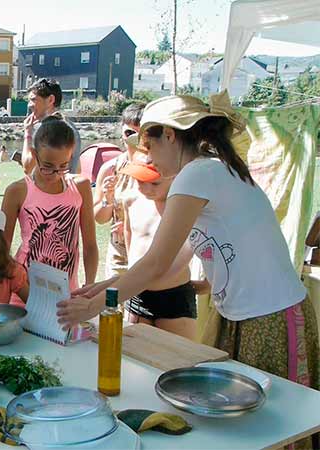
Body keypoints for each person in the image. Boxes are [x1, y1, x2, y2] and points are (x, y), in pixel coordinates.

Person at [58, 93, 318, 403]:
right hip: (251, 314)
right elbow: (160, 264)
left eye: (150, 146)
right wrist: (101, 288)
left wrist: (93, 306)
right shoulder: (212, 170)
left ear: (169, 134)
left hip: (268, 316)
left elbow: (155, 262)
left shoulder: (197, 174)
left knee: (270, 422)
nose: (150, 160)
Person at [2, 115, 98, 292]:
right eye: (47, 166)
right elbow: (2, 248)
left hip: (68, 290)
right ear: (34, 154)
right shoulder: (17, 191)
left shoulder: (81, 186)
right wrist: (21, 288)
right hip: (25, 289)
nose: (55, 174)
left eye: (63, 166)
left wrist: (89, 284)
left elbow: (90, 245)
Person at [119, 162, 196, 339]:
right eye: (140, 180)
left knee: (180, 358)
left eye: (155, 183)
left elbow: (189, 250)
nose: (146, 188)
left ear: (174, 177)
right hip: (137, 292)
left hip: (173, 295)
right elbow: (130, 234)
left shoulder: (185, 207)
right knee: (135, 359)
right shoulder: (131, 200)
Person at [93, 103, 147, 278]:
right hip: (118, 256)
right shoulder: (111, 168)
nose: (134, 139)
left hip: (147, 254)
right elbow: (99, 218)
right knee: (113, 304)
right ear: (121, 133)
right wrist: (107, 199)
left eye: (140, 133)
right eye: (129, 132)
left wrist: (132, 226)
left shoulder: (160, 169)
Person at [20, 78, 81, 175]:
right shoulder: (69, 126)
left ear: (50, 100)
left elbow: (28, 167)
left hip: (51, 189)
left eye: (33, 99)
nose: (29, 105)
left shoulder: (48, 130)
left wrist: (27, 133)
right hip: (68, 187)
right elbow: (77, 168)